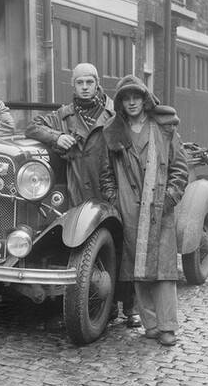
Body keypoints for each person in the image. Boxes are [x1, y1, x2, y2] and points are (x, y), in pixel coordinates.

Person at [25, 63, 139, 327]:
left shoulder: (114, 113)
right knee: (85, 247)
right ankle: (97, 305)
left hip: (111, 189)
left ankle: (129, 307)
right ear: (73, 85)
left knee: (123, 245)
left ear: (97, 83)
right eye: (80, 83)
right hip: (79, 192)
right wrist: (56, 138)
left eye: (89, 82)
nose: (85, 87)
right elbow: (32, 127)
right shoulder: (63, 116)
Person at [101, 75, 189, 346]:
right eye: (126, 99)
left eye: (136, 98)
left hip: (159, 207)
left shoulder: (164, 129)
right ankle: (149, 323)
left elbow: (179, 170)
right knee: (137, 269)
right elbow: (106, 175)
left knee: (163, 271)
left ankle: (167, 327)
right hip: (129, 209)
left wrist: (170, 199)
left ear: (145, 99)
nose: (131, 103)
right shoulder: (112, 132)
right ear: (120, 103)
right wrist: (117, 201)